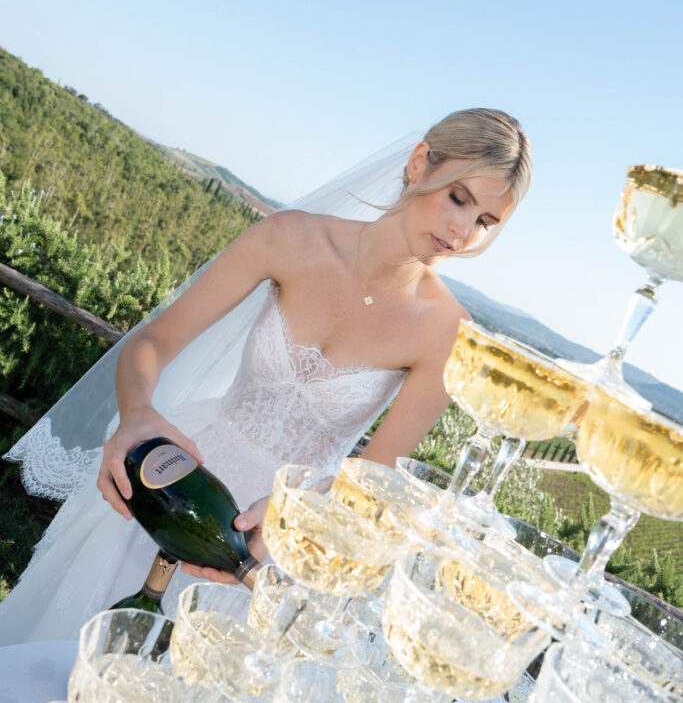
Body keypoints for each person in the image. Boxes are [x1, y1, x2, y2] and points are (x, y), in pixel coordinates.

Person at [0, 108, 531, 642]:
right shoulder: (291, 238)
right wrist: (137, 414)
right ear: (420, 163)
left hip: (282, 539)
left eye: (486, 221)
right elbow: (154, 340)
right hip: (179, 479)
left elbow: (372, 480)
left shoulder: (447, 332)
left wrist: (289, 516)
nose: (463, 231)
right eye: (458, 198)